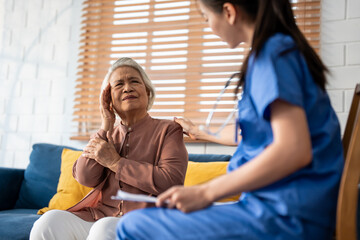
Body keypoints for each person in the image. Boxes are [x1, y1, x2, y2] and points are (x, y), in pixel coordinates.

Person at [116, 0, 344, 239]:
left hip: (286, 214)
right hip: (283, 205)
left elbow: (293, 149)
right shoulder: (278, 51)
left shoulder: (272, 55)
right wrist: (201, 133)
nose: (209, 27)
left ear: (229, 12)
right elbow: (255, 133)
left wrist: (205, 192)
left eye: (206, 18)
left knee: (132, 226)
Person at [30, 57, 188, 240]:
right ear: (108, 98)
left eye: (134, 81)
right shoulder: (106, 134)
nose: (127, 88)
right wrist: (106, 124)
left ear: (148, 91)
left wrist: (115, 162)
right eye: (119, 84)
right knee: (49, 221)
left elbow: (171, 181)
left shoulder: (168, 129)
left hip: (147, 221)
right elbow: (85, 177)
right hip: (100, 217)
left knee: (104, 229)